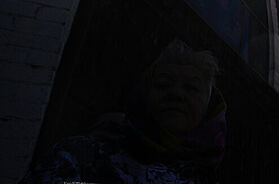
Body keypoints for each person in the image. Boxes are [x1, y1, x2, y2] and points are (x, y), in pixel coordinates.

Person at [20, 40, 227, 184]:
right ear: (144, 95)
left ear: (209, 110)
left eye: (192, 88)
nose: (177, 94)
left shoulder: (206, 179)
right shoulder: (82, 155)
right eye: (164, 84)